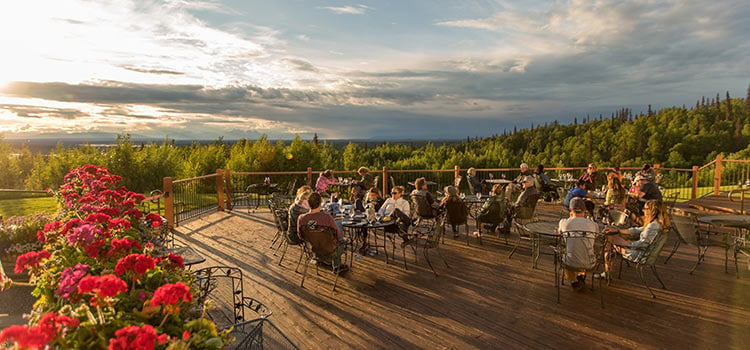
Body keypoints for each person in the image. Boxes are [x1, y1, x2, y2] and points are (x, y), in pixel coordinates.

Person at [603, 200, 670, 276]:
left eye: (645, 208)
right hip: (646, 253)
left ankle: (606, 273)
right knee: (614, 239)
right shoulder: (658, 223)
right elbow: (639, 230)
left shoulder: (653, 226)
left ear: (652, 211)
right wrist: (618, 231)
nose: (643, 210)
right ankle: (607, 272)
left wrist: (627, 243)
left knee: (610, 241)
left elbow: (643, 243)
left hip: (640, 255)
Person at [297, 192, 348, 271]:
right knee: (339, 231)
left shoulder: (301, 218)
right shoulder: (326, 217)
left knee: (324, 236)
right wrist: (343, 239)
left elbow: (300, 236)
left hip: (313, 251)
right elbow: (338, 235)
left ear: (308, 203)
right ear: (320, 203)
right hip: (330, 252)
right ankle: (337, 267)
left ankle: (321, 260)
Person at [558, 198, 599, 291]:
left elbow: (559, 233)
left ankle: (573, 280)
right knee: (584, 247)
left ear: (570, 210)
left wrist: (570, 217)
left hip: (570, 263)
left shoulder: (564, 223)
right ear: (585, 210)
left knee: (569, 250)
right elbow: (596, 236)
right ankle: (581, 274)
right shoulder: (593, 225)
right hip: (589, 262)